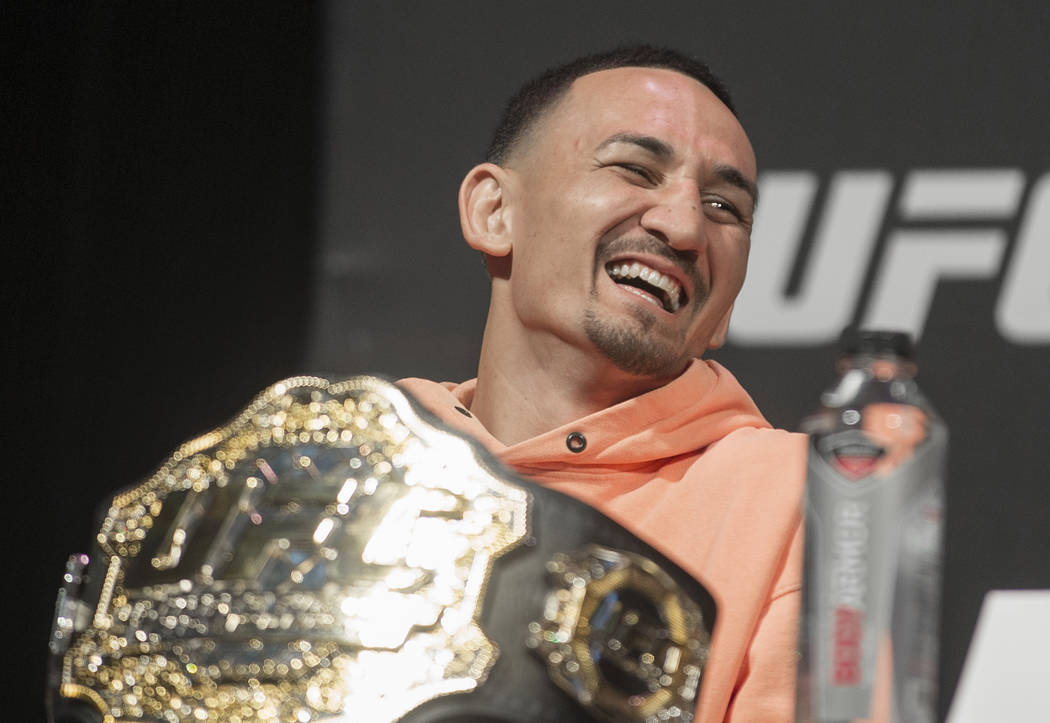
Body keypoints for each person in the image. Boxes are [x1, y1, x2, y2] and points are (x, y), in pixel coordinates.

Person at [400, 45, 805, 722]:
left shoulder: (795, 504)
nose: (683, 227)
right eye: (635, 169)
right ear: (495, 212)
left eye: (724, 207)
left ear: (725, 308)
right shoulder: (373, 458)